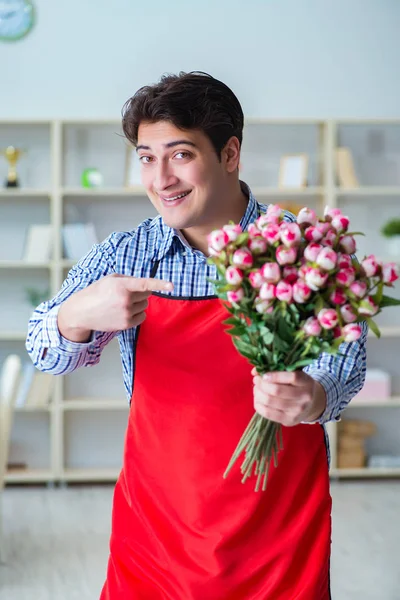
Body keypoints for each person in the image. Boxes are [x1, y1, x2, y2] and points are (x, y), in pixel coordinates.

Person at [26, 71, 367, 600]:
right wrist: (76, 314)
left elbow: (346, 363)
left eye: (180, 154)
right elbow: (42, 351)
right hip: (157, 529)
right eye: (146, 157)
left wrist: (312, 395)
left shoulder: (304, 251)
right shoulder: (125, 255)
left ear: (230, 154)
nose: (161, 178)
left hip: (278, 533)